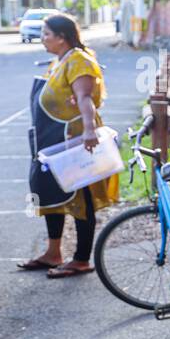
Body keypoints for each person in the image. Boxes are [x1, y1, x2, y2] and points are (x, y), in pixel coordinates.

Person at [19, 14, 120, 278]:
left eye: (46, 34)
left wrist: (88, 131)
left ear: (62, 37)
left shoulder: (79, 60)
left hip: (74, 141)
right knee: (51, 192)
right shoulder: (60, 61)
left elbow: (84, 98)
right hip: (51, 138)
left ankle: (81, 258)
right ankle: (53, 252)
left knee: (79, 197)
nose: (43, 39)